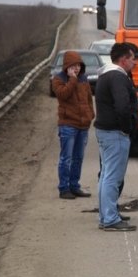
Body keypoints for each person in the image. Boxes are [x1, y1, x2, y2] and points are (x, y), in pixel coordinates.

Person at [93, 43, 138, 231]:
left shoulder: (106, 74)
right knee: (113, 177)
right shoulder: (118, 76)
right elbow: (122, 106)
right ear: (123, 59)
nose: (135, 62)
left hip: (106, 131)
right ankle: (110, 219)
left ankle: (106, 215)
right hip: (115, 133)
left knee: (106, 175)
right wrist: (127, 127)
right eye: (132, 58)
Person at [52, 51, 95, 199]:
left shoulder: (84, 78)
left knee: (78, 157)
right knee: (66, 158)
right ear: (67, 66)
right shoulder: (58, 79)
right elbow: (62, 95)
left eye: (78, 65)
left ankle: (74, 186)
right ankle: (64, 189)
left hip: (83, 125)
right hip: (68, 124)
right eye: (73, 66)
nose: (76, 68)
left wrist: (91, 114)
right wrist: (72, 80)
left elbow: (89, 98)